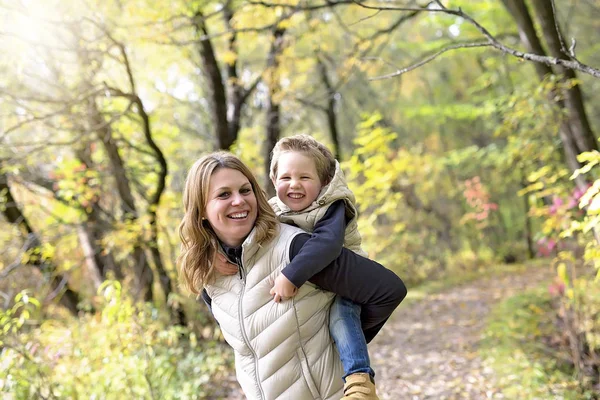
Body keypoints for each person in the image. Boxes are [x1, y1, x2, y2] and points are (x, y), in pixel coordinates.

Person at [178, 152, 406, 400]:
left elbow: (388, 290)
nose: (238, 201)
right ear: (201, 210)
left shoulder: (295, 248)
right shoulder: (210, 276)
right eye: (224, 194)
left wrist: (339, 345)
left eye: (245, 190)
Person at [267, 134, 385, 398]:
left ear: (323, 183)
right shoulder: (272, 211)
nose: (294, 184)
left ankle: (360, 382)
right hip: (314, 292)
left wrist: (291, 276)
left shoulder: (333, 206)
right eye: (286, 178)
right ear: (274, 181)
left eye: (304, 177)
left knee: (342, 317)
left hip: (347, 284)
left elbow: (328, 244)